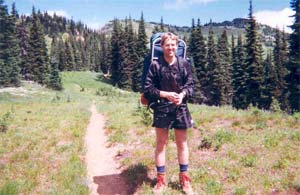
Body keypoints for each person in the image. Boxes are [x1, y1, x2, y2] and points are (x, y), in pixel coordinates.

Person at [143, 32, 194, 194]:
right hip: (162, 109)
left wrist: (182, 95)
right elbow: (148, 89)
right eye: (167, 45)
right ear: (161, 47)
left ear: (177, 46)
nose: (170, 48)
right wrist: (165, 94)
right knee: (161, 144)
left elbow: (191, 85)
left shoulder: (184, 64)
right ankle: (161, 181)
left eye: (173, 45)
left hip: (180, 108)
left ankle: (185, 181)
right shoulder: (155, 66)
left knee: (182, 144)